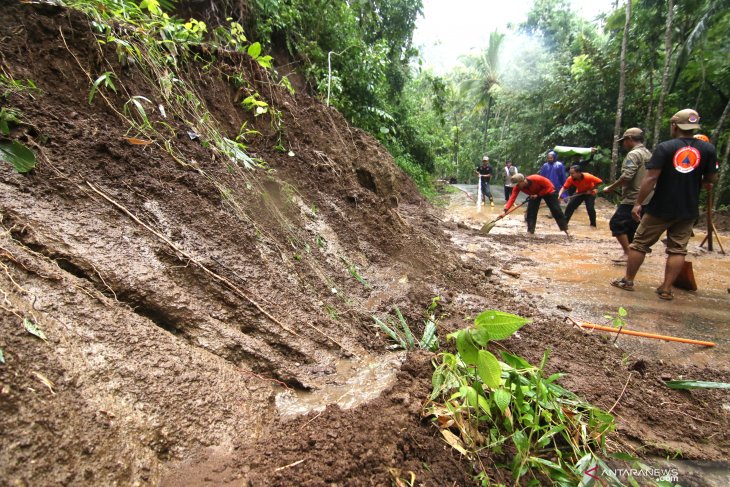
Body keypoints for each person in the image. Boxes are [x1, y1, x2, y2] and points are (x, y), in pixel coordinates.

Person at [611, 109, 718, 300]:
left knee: (639, 244)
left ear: (675, 125)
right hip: (688, 208)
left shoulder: (665, 147)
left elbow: (651, 178)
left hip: (661, 206)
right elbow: (710, 180)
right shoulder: (708, 149)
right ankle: (666, 289)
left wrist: (638, 203)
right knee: (678, 249)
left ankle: (628, 280)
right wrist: (693, 184)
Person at [602, 128, 652, 262]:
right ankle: (634, 253)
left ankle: (628, 253)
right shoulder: (648, 153)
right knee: (632, 226)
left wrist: (611, 187)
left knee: (617, 223)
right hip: (647, 197)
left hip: (633, 197)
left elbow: (627, 176)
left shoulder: (633, 154)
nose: (623, 144)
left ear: (629, 139)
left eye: (624, 141)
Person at [502, 173, 569, 236]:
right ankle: (530, 232)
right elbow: (512, 198)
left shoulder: (536, 178)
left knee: (555, 209)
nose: (517, 187)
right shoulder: (517, 187)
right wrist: (505, 210)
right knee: (531, 212)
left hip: (548, 191)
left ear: (522, 181)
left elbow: (549, 187)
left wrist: (538, 194)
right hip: (533, 194)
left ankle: (565, 229)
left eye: (517, 184)